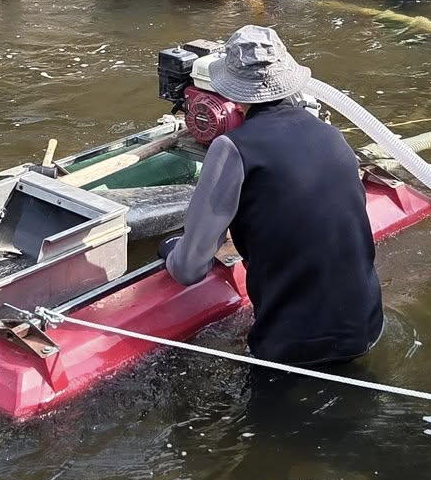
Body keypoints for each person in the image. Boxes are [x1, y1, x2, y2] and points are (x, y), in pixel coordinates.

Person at [162, 26, 383, 366]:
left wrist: (171, 250)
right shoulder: (332, 135)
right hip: (367, 327)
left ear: (231, 94)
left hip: (294, 347)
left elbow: (190, 268)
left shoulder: (232, 148)